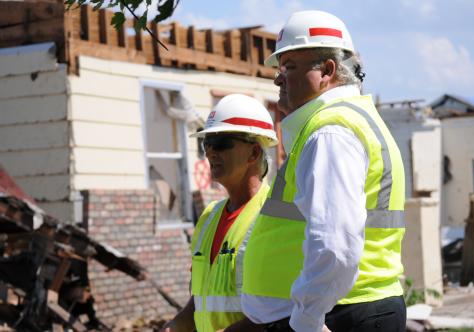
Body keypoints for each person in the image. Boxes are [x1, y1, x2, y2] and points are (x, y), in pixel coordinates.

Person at [238, 10, 407, 332]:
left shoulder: (331, 132)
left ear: (328, 70)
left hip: (336, 315)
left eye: (289, 67)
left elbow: (335, 242)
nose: (277, 78)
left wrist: (308, 319)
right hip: (348, 309)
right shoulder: (346, 121)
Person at [162, 94, 278, 332]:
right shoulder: (209, 217)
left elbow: (279, 312)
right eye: (207, 143)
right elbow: (202, 301)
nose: (210, 152)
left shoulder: (275, 216)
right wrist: (175, 326)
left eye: (222, 143)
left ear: (254, 153)